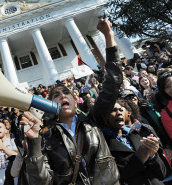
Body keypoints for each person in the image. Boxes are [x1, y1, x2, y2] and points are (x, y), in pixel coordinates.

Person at [19, 18, 120, 185]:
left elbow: (113, 83)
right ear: (50, 105)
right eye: (56, 96)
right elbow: (41, 182)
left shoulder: (93, 120)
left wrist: (109, 37)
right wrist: (34, 143)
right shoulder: (45, 137)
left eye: (66, 93)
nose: (62, 96)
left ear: (75, 100)